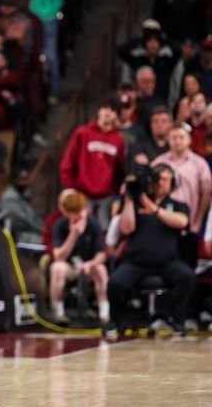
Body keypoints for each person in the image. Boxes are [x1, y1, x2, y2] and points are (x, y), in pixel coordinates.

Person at [107, 164, 195, 335]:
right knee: (115, 283)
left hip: (167, 261)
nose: (160, 183)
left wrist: (157, 212)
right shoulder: (137, 203)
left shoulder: (178, 205)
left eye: (165, 179)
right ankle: (117, 320)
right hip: (136, 261)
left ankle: (175, 319)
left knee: (187, 277)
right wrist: (129, 199)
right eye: (157, 179)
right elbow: (125, 229)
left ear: (172, 183)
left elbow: (182, 222)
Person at [59, 98, 125, 230]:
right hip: (82, 195)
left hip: (106, 198)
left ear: (117, 115)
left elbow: (120, 170)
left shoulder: (118, 140)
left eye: (113, 110)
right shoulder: (82, 133)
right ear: (98, 110)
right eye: (105, 108)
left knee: (104, 231)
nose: (108, 112)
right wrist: (72, 189)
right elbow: (67, 163)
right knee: (80, 231)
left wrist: (117, 195)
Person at [152, 123, 212, 260]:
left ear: (189, 139)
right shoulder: (158, 162)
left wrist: (197, 222)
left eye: (181, 137)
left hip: (189, 226)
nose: (178, 140)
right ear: (168, 139)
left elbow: (207, 194)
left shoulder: (199, 163)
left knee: (186, 271)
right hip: (162, 225)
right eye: (174, 137)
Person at [49, 190, 109, 325]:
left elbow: (101, 254)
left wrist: (90, 264)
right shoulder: (59, 225)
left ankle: (104, 313)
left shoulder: (93, 224)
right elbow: (58, 256)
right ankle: (58, 314)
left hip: (88, 266)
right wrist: (73, 234)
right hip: (69, 267)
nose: (79, 216)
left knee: (101, 269)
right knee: (57, 268)